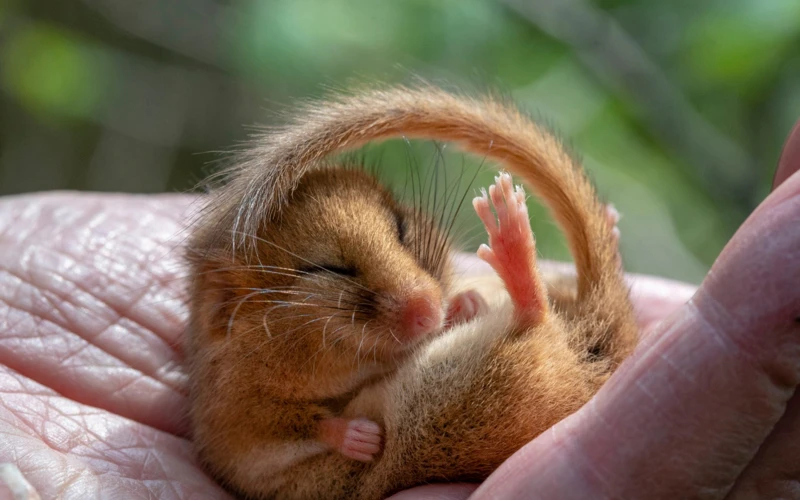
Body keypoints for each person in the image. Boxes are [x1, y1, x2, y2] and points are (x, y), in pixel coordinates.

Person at [0, 123, 798, 499]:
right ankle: (535, 303)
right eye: (334, 271)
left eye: (399, 236)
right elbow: (246, 449)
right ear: (233, 314)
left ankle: (554, 298)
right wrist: (322, 432)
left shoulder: (313, 326)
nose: (411, 288)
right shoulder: (246, 372)